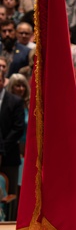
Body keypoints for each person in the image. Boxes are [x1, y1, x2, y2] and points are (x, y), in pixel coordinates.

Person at [0, 69, 25, 221]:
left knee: (10, 194)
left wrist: (1, 149)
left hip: (9, 155)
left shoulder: (15, 101)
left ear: (3, 81)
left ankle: (11, 222)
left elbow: (18, 128)